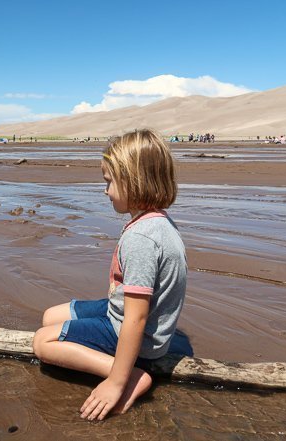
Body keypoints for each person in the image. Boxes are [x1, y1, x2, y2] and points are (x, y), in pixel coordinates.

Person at [33, 129, 187, 421]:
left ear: (134, 181)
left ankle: (131, 374)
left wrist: (116, 382)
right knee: (50, 315)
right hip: (121, 311)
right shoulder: (156, 222)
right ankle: (119, 365)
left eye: (109, 182)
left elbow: (137, 318)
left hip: (133, 332)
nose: (105, 191)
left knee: (43, 341)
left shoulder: (142, 238)